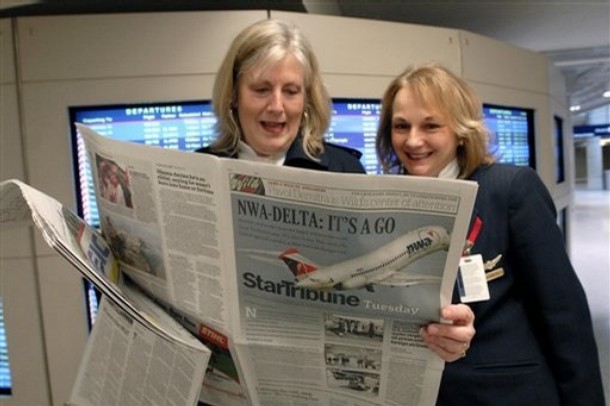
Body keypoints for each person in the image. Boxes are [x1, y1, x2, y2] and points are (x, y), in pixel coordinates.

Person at [197, 19, 475, 363]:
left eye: (291, 91)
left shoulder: (345, 170)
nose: (277, 106)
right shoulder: (199, 169)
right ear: (234, 96)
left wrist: (447, 334)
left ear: (307, 100)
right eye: (261, 89)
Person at [376, 63, 606, 405]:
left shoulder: (510, 189)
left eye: (431, 125)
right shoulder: (386, 201)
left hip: (505, 394)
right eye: (401, 126)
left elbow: (564, 316)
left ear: (460, 130)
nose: (413, 140)